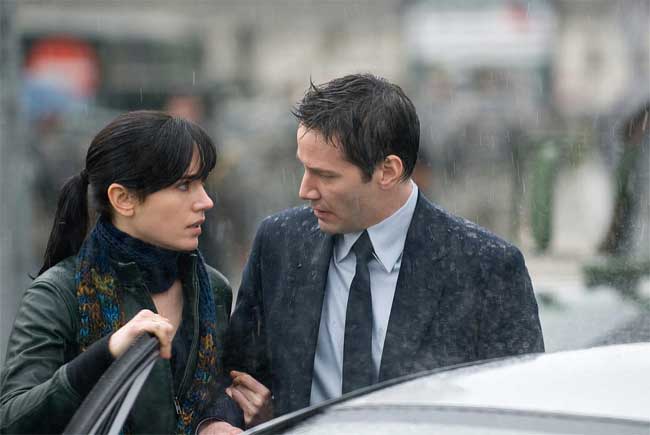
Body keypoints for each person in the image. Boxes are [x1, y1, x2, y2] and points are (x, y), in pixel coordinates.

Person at [224, 74, 545, 424]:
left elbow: (521, 410)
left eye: (326, 176)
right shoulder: (279, 243)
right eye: (304, 168)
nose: (305, 190)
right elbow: (235, 375)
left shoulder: (487, 266)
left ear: (388, 171)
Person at [0, 111, 245, 434]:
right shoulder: (59, 293)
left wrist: (219, 418)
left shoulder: (212, 288)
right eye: (184, 185)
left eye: (203, 183)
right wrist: (108, 353)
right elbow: (12, 420)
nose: (206, 201)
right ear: (123, 199)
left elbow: (212, 392)